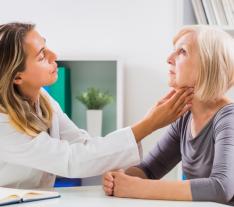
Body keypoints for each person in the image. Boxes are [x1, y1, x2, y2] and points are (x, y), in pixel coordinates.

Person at [0, 22, 193, 189]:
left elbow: (81, 144)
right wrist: (149, 123)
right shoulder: (3, 123)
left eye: (46, 45)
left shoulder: (42, 99)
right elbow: (71, 160)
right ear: (17, 76)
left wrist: (113, 168)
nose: (54, 55)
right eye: (41, 56)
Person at [102, 25, 234, 205]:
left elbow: (221, 188)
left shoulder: (229, 118)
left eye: (182, 52)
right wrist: (119, 178)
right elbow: (149, 169)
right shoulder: (185, 118)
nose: (169, 59)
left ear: (208, 64)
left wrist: (136, 187)